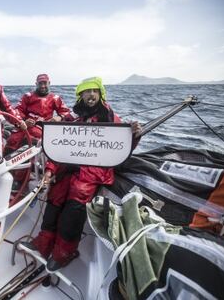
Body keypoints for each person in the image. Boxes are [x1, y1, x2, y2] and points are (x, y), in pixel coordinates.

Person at [21, 77, 142, 271]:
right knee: (55, 198)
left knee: (74, 207)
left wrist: (135, 135)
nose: (91, 95)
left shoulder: (110, 118)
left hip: (92, 173)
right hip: (68, 169)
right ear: (81, 95)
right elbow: (59, 147)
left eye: (95, 91)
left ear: (101, 94)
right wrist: (50, 171)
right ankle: (43, 244)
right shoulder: (74, 119)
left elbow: (121, 147)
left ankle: (64, 253)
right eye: (87, 91)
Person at [5, 73, 71, 154]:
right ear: (36, 84)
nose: (43, 86)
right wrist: (24, 121)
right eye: (40, 83)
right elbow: (18, 110)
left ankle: (29, 163)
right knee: (12, 141)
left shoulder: (55, 98)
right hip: (25, 126)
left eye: (45, 83)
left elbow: (66, 112)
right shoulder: (28, 96)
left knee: (30, 143)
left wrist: (59, 117)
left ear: (49, 83)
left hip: (41, 129)